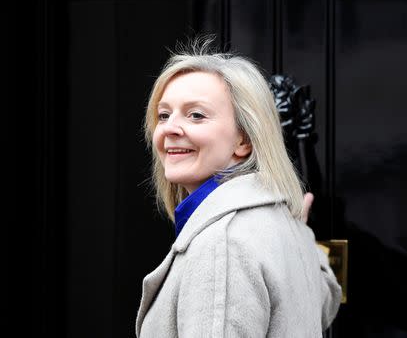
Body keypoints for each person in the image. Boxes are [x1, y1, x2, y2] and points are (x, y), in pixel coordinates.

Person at [135, 39, 341, 337]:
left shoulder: (223, 244)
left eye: (196, 115)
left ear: (243, 141)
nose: (169, 128)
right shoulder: (281, 223)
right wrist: (303, 237)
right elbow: (324, 303)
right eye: (164, 115)